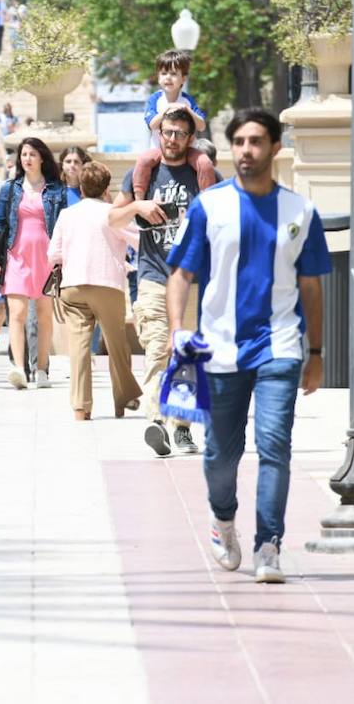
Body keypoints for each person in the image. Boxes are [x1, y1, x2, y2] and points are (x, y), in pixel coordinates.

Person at [167, 107, 330, 584]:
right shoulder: (209, 206)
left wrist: (316, 354)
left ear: (275, 148)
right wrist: (180, 332)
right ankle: (222, 521)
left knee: (275, 446)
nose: (246, 150)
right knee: (220, 452)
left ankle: (269, 544)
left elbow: (313, 288)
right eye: (239, 142)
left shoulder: (300, 212)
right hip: (217, 348)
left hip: (280, 346)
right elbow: (182, 272)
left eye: (256, 141)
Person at [110, 106, 218, 457]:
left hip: (191, 278)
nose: (171, 139)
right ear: (160, 134)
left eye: (179, 134)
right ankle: (156, 420)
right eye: (167, 132)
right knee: (158, 346)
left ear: (190, 139)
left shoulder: (202, 171)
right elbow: (112, 218)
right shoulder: (143, 172)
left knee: (186, 352)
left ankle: (182, 428)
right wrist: (138, 209)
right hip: (154, 275)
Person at [47, 161, 142, 420]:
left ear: (81, 187)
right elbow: (140, 240)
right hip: (107, 285)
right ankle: (124, 398)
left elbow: (52, 254)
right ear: (106, 188)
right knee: (116, 343)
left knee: (79, 347)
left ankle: (81, 407)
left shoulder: (67, 214)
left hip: (73, 286)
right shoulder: (112, 213)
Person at [0, 137, 66, 389]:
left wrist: (63, 259)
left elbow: (64, 225)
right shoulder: (10, 188)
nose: (27, 159)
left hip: (46, 257)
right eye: (23, 155)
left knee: (43, 317)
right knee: (17, 316)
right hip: (16, 256)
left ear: (42, 157)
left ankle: (41, 369)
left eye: (32, 154)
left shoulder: (56, 189)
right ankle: (19, 368)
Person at [142, 49, 208, 147]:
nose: (168, 77)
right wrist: (168, 108)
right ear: (158, 77)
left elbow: (201, 126)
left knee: (203, 161)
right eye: (164, 73)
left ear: (183, 78)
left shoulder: (188, 101)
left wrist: (187, 110)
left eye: (173, 74)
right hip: (159, 151)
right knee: (144, 160)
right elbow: (152, 125)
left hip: (186, 152)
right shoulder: (155, 99)